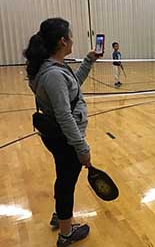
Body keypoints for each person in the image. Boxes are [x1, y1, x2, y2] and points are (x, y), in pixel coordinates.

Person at [23, 18, 99, 247]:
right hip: (66, 139)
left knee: (63, 176)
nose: (73, 40)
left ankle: (60, 215)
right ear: (62, 41)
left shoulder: (53, 67)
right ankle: (66, 233)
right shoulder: (54, 74)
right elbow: (65, 115)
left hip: (57, 137)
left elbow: (73, 86)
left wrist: (88, 60)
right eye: (71, 36)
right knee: (67, 183)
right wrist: (82, 148)